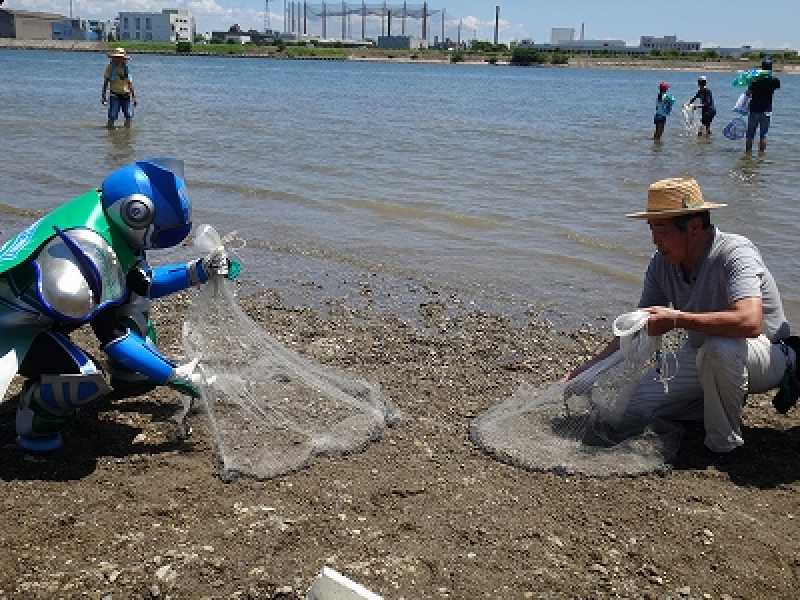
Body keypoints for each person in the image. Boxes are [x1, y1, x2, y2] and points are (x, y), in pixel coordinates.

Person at [0, 159, 239, 452]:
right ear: (136, 212)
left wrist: (199, 270)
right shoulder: (84, 254)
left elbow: (141, 282)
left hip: (42, 310)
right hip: (13, 326)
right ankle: (35, 428)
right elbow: (114, 335)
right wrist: (173, 374)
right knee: (81, 380)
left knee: (131, 301)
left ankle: (131, 376)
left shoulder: (108, 219)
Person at [564, 177, 797, 458]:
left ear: (695, 227)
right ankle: (711, 400)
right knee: (632, 411)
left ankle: (723, 445)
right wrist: (585, 372)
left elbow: (749, 322)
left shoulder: (735, 253)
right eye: (652, 230)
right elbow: (637, 328)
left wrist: (676, 319)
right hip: (701, 354)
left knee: (718, 349)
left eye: (662, 231)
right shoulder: (662, 263)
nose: (655, 241)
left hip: (767, 354)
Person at [746, 57, 781, 153]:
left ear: (761, 68)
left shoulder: (754, 80)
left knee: (750, 135)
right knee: (763, 135)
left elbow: (748, 93)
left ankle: (747, 155)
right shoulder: (774, 80)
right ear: (771, 68)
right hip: (766, 110)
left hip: (754, 109)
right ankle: (761, 156)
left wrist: (750, 83)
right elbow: (776, 87)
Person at [101, 48, 137, 128]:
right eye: (116, 57)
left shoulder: (126, 68)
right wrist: (103, 96)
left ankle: (127, 130)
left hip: (126, 95)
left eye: (120, 58)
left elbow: (130, 83)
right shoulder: (110, 67)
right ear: (113, 58)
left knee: (128, 115)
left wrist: (134, 97)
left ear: (123, 59)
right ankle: (110, 130)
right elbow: (106, 82)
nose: (118, 59)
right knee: (112, 115)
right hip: (114, 95)